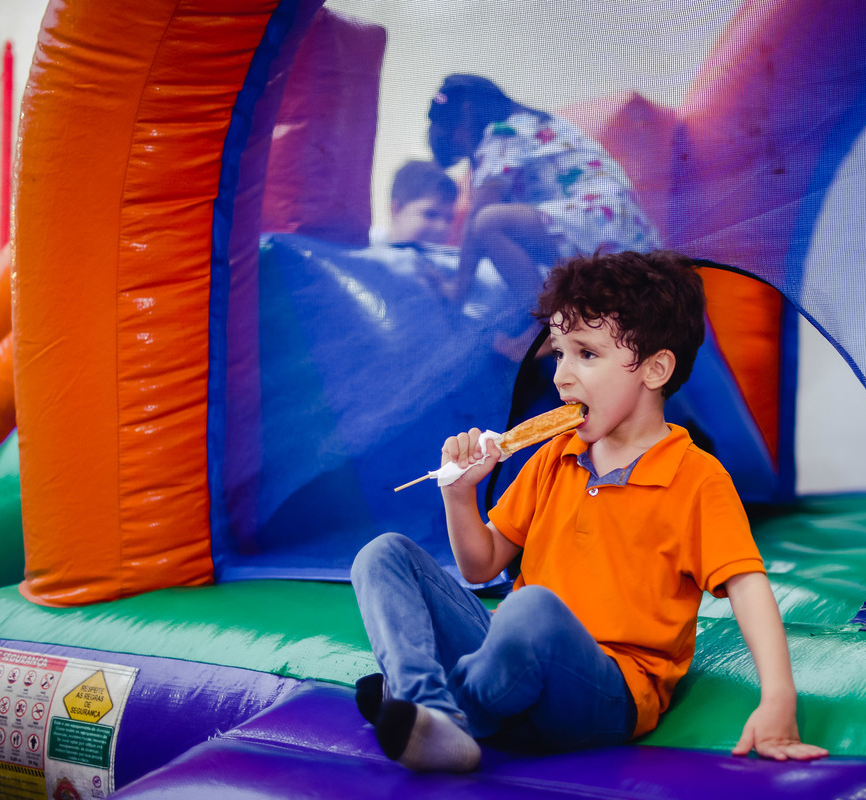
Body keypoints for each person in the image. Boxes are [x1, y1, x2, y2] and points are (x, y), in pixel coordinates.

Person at [350, 250, 828, 773]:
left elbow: (748, 587)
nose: (561, 376)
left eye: (586, 354)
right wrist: (459, 494)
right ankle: (428, 708)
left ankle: (448, 705)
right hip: (507, 661)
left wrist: (778, 698)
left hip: (605, 690)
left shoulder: (696, 478)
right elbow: (479, 566)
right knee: (383, 554)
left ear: (655, 369)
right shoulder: (556, 456)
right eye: (559, 353)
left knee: (531, 608)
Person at [426, 74, 662, 304]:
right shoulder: (539, 122)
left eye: (455, 138)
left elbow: (475, 219)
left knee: (487, 222)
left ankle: (541, 319)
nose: (465, 151)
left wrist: (457, 288)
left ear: (467, 113)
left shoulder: (503, 133)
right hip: (627, 237)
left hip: (601, 227)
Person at [384, 160, 458, 247]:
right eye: (430, 214)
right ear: (396, 210)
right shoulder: (372, 253)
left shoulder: (448, 254)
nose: (442, 227)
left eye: (449, 219)